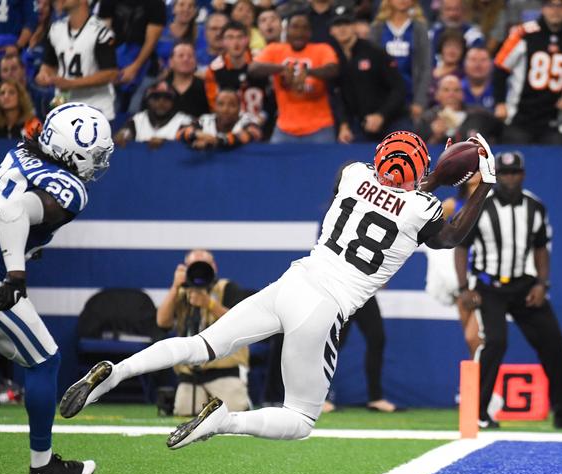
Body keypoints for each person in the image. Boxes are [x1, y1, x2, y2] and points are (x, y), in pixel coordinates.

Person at [59, 130, 497, 449]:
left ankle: (115, 373)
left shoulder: (350, 174)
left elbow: (391, 193)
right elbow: (449, 234)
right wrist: (481, 188)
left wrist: (428, 177)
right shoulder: (423, 207)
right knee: (301, 417)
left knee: (199, 344)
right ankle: (223, 423)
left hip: (293, 281)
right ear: (419, 171)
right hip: (326, 307)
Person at [0, 102, 113, 474]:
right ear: (73, 151)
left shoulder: (22, 152)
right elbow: (15, 212)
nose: (98, 163)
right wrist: (16, 273)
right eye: (95, 155)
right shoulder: (70, 189)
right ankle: (42, 469)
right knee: (45, 361)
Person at [455, 151, 562, 430]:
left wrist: (542, 284)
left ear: (522, 174)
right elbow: (460, 247)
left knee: (553, 344)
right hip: (490, 285)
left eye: (514, 172)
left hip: (524, 286)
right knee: (494, 343)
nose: (509, 178)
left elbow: (541, 247)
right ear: (497, 175)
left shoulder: (535, 206)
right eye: (504, 173)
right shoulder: (481, 204)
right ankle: (477, 414)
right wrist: (463, 287)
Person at [156, 249, 250, 416]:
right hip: (191, 372)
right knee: (184, 412)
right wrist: (175, 286)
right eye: (194, 266)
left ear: (214, 267)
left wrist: (209, 304)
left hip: (224, 368)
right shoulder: (182, 292)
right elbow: (162, 322)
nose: (199, 271)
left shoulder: (227, 288)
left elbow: (240, 323)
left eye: (204, 265)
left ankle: (241, 397)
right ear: (185, 268)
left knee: (235, 412)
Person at [493, 0, 562, 144]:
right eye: (551, 6)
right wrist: (500, 102)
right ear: (543, 9)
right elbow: (500, 68)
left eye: (559, 6)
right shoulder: (523, 34)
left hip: (555, 119)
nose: (555, 11)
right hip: (520, 115)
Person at [249, 12, 339, 143]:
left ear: (310, 32)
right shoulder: (275, 49)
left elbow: (333, 70)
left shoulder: (322, 49)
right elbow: (253, 69)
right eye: (295, 27)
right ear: (286, 30)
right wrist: (282, 69)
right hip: (284, 128)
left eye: (304, 28)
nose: (299, 32)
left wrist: (308, 72)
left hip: (320, 128)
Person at [425, 172, 483, 357]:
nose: (476, 174)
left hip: (483, 275)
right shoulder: (452, 204)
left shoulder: (493, 202)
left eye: (479, 169)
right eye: (472, 170)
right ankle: (476, 380)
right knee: (470, 336)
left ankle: (483, 381)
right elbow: (426, 222)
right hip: (462, 277)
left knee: (475, 336)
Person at [329, 8, 408, 143]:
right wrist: (344, 125)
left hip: (393, 122)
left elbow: (399, 88)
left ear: (354, 27)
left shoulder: (375, 52)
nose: (342, 29)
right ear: (331, 31)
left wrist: (381, 115)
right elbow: (338, 95)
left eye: (346, 24)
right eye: (337, 25)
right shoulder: (334, 58)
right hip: (362, 126)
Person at [35, 0, 118, 121]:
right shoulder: (55, 29)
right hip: (63, 103)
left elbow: (110, 73)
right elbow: (49, 64)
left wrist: (71, 84)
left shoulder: (100, 31)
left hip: (96, 106)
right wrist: (44, 75)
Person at [369, 0, 431, 125]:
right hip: (383, 99)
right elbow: (371, 66)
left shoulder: (419, 28)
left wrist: (419, 101)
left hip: (410, 100)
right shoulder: (377, 28)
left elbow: (426, 67)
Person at [114, 81, 192, 149]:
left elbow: (189, 140)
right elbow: (126, 132)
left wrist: (165, 142)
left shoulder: (184, 121)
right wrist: (122, 135)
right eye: (156, 97)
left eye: (167, 98)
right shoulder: (138, 119)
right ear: (147, 101)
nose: (161, 102)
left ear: (174, 102)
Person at [178, 89, 262, 149]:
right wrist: (195, 134)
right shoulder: (205, 120)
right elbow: (180, 132)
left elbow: (253, 134)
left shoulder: (248, 120)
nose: (225, 109)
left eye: (232, 105)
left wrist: (214, 142)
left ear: (239, 108)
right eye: (220, 104)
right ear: (214, 107)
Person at [163, 41, 210, 119]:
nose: (185, 59)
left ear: (196, 61)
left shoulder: (207, 88)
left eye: (190, 56)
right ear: (171, 62)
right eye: (181, 56)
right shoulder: (159, 89)